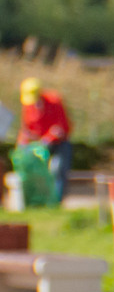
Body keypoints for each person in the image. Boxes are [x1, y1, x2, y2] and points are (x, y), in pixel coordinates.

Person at [16, 78, 71, 207]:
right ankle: (38, 202)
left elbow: (61, 127)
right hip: (40, 145)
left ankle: (56, 203)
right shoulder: (28, 106)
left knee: (57, 169)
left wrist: (47, 139)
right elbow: (27, 128)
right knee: (36, 171)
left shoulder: (54, 101)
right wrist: (22, 142)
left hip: (59, 143)